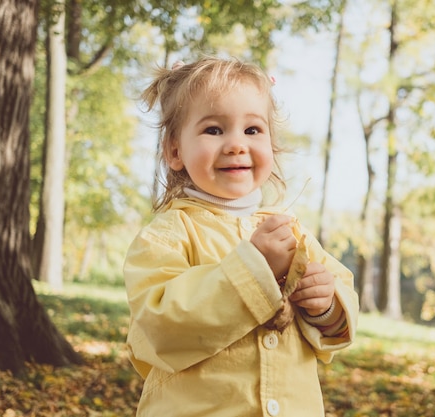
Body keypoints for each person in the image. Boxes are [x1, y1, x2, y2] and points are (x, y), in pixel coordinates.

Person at [124, 55, 359, 417]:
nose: (236, 144)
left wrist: (325, 305)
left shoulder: (293, 232)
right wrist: (255, 268)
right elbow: (162, 326)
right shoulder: (168, 235)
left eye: (252, 130)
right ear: (174, 150)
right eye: (214, 130)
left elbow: (342, 302)